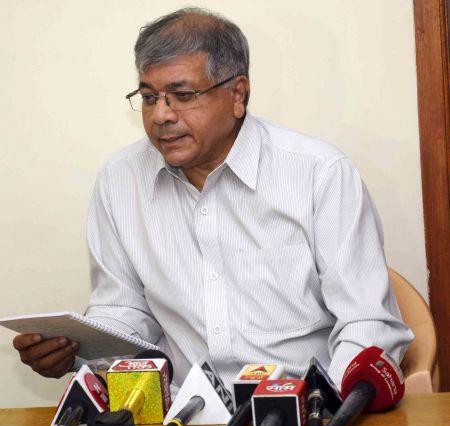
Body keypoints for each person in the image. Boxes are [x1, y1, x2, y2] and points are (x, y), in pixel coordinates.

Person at [13, 7, 413, 390]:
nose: (160, 116)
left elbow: (367, 326)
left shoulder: (319, 175)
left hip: (304, 408)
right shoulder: (120, 181)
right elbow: (125, 311)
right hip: (188, 414)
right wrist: (79, 352)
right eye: (149, 97)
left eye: (182, 95)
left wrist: (326, 409)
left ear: (238, 94)